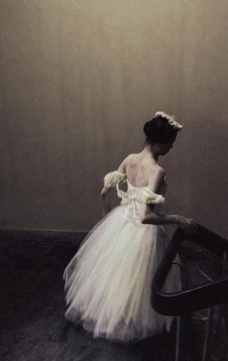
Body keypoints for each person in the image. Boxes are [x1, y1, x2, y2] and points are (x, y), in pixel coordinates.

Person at [63, 111, 197, 343]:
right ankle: (132, 319)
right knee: (139, 279)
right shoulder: (156, 171)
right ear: (160, 142)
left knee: (116, 275)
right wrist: (178, 219)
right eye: (171, 143)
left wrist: (107, 218)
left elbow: (104, 192)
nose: (171, 148)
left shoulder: (130, 159)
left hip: (121, 221)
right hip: (142, 232)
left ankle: (113, 314)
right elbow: (145, 216)